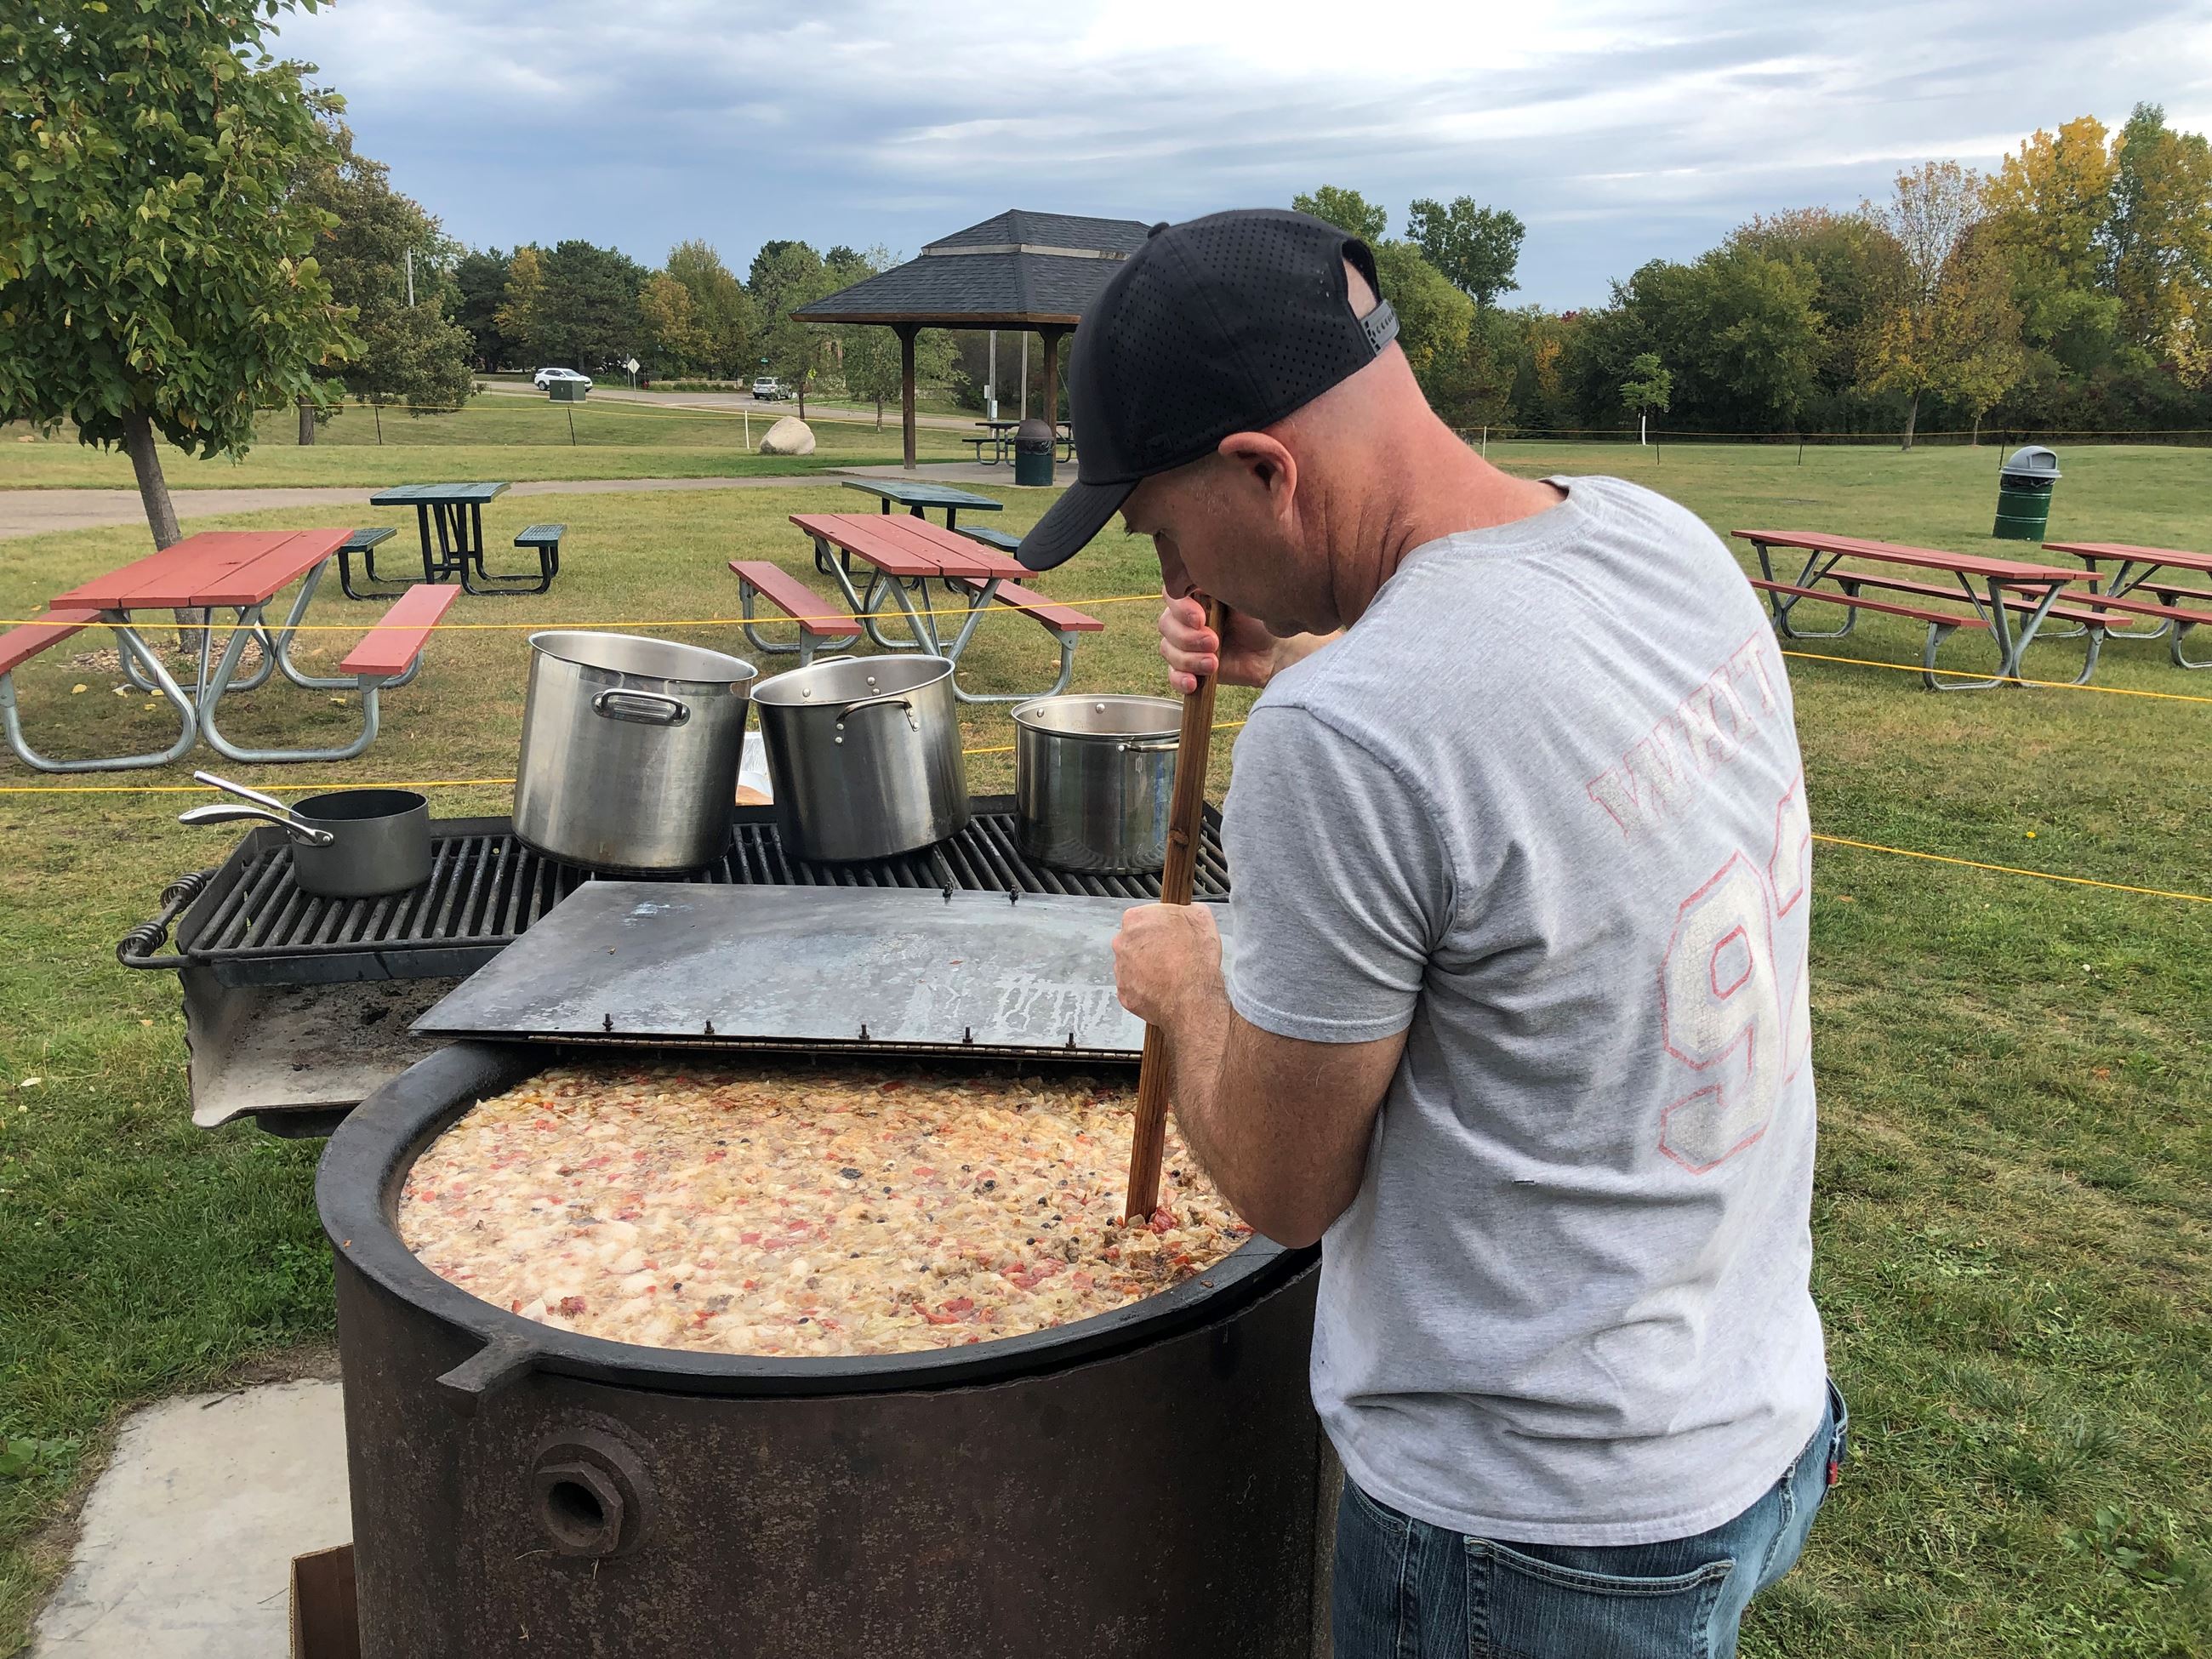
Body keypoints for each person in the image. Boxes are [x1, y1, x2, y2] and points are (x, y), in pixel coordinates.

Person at [1014, 208, 1844, 1659]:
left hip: (1525, 1532)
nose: (1171, 576)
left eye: (1159, 525)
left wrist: (1185, 983)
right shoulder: (1659, 540)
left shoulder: (1354, 733)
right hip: (1745, 1405)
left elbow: (1283, 1181)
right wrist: (1326, 649)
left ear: (1264, 469)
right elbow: (1494, 717)